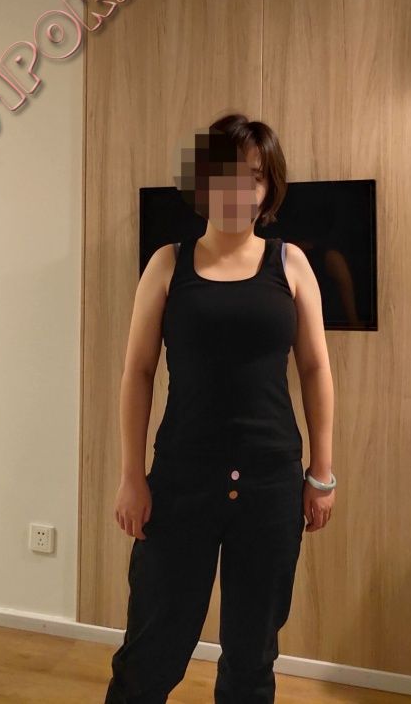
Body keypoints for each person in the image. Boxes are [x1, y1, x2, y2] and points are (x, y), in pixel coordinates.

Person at [104, 113, 336, 704]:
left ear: (269, 187)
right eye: (225, 174)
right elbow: (137, 373)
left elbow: (315, 369)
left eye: (254, 176)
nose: (239, 190)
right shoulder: (167, 264)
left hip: (271, 482)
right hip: (181, 478)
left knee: (252, 657)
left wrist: (322, 473)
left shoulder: (291, 264)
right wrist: (132, 477)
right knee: (152, 647)